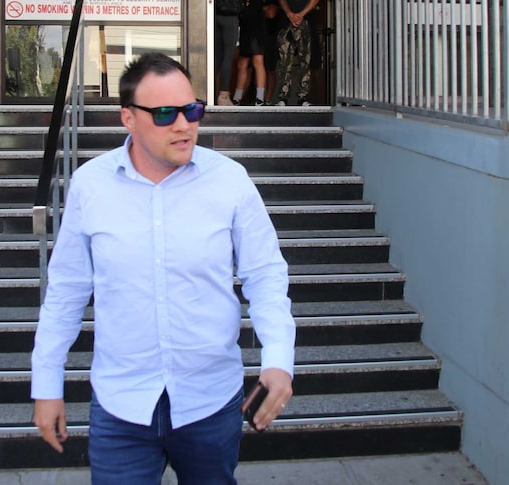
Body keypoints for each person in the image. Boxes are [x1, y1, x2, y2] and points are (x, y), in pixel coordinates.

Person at [31, 52, 296, 484]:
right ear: (128, 118)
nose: (184, 125)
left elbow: (265, 275)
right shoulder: (91, 185)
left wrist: (279, 359)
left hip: (210, 403)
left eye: (192, 110)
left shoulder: (229, 181)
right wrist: (46, 382)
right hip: (122, 406)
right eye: (165, 113)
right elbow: (66, 290)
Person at [274, 0, 320, 106]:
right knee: (284, 61)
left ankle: (303, 97)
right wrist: (289, 13)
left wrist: (301, 14)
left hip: (306, 20)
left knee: (305, 60)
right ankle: (283, 97)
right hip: (285, 22)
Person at [233, 0, 268, 106]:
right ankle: (237, 98)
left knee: (258, 61)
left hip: (257, 29)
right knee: (242, 64)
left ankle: (260, 98)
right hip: (245, 30)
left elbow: (268, 10)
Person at [214, 0, 242, 106]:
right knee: (228, 56)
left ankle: (206, 91)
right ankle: (223, 96)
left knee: (216, 57)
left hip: (213, 13)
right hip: (230, 15)